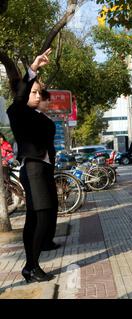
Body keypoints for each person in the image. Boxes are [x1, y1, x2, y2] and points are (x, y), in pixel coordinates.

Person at [7, 48, 57, 283]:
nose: (38, 96)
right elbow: (20, 96)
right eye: (34, 92)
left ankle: (31, 266)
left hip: (44, 169)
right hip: (33, 169)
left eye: (40, 92)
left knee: (37, 218)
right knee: (42, 217)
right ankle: (31, 266)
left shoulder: (39, 116)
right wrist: (33, 68)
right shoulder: (18, 113)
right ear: (24, 93)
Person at [37, 89, 61, 251]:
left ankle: (48, 240)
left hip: (48, 165)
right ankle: (44, 241)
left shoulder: (44, 117)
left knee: (52, 204)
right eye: (45, 100)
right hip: (40, 166)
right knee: (45, 207)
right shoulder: (34, 117)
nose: (48, 102)